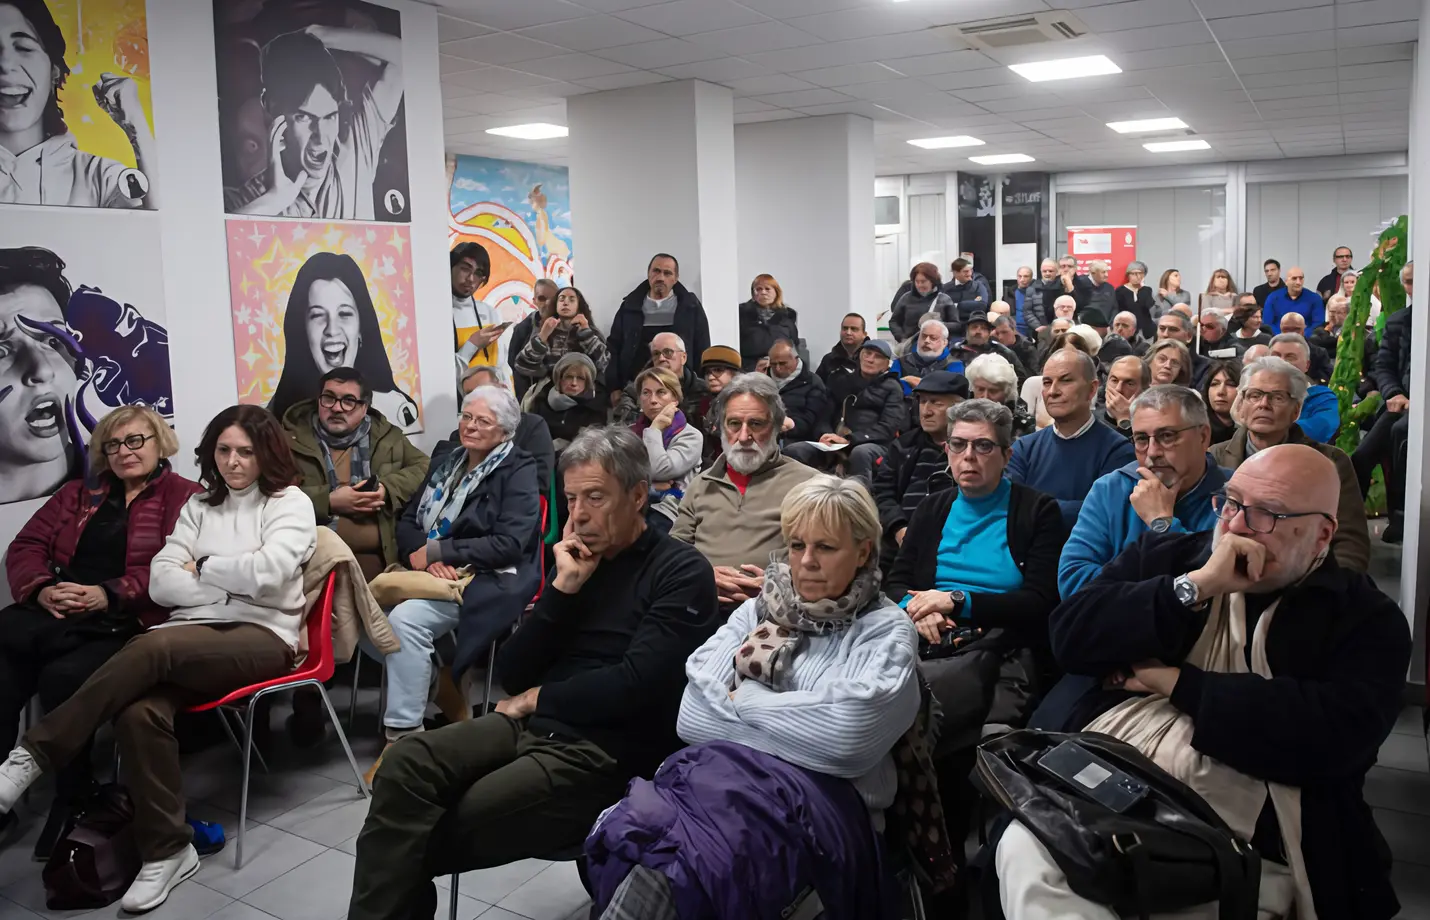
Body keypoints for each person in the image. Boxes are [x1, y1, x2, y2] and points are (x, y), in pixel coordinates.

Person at [1018, 444, 1408, 920]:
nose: (1237, 525)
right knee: (1029, 851)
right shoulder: (1172, 557)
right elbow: (1070, 636)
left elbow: (1331, 736)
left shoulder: (1364, 618)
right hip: (1112, 789)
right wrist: (1194, 587)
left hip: (1258, 834)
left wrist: (1174, 682)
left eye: (1267, 514)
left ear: (1322, 534)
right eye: (1231, 502)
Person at [347, 427, 721, 920]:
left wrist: (538, 699)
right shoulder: (578, 563)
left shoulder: (680, 571)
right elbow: (514, 671)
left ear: (637, 496)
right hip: (533, 726)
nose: (579, 514)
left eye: (595, 497)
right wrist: (563, 590)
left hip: (606, 751)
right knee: (406, 764)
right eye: (570, 499)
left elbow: (636, 685)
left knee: (419, 827)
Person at [0, 405, 314, 912]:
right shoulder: (202, 505)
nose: (234, 463)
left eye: (246, 452)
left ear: (267, 453)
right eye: (224, 451)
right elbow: (165, 582)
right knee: (139, 711)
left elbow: (272, 573)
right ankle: (169, 849)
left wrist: (205, 566)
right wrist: (227, 579)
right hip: (192, 633)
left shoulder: (288, 502)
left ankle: (33, 754)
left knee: (152, 644)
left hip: (263, 634)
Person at [587, 475, 920, 920]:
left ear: (862, 551)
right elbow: (692, 719)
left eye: (825, 547)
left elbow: (847, 744)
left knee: (686, 866)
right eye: (797, 545)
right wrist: (807, 719)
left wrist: (745, 702)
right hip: (718, 782)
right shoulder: (761, 608)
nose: (806, 563)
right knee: (642, 838)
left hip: (820, 806)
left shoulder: (885, 631)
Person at [0, 406, 198, 854]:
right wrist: (43, 589)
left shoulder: (186, 497)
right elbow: (26, 546)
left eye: (135, 441)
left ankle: (75, 794)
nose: (124, 452)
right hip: (62, 611)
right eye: (113, 444)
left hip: (130, 620)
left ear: (158, 443)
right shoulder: (75, 495)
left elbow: (185, 570)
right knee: (3, 672)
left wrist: (111, 593)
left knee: (63, 677)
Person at [887, 398, 1066, 860]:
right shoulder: (932, 508)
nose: (968, 457)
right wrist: (919, 608)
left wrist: (958, 601)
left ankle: (938, 845)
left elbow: (1040, 602)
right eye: (959, 445)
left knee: (926, 714)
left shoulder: (1036, 511)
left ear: (1007, 455)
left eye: (983, 446)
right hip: (925, 635)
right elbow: (898, 582)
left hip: (999, 645)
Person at [364, 385, 541, 775]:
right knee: (360, 614)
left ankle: (402, 740)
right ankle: (443, 687)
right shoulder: (446, 460)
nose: (470, 426)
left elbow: (510, 544)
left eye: (483, 421)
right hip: (432, 572)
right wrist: (425, 558)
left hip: (490, 577)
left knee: (404, 622)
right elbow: (408, 519)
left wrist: (442, 552)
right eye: (466, 416)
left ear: (504, 431)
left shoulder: (520, 469)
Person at [1057, 385, 1227, 599]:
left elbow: (1225, 590)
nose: (1153, 452)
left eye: (1167, 436)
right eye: (1141, 439)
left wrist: (1163, 525)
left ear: (1203, 437)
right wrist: (1172, 591)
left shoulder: (1236, 496)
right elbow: (1072, 582)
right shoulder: (1110, 489)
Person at [672, 373, 818, 609]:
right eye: (734, 424)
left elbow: (829, 559)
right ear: (721, 428)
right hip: (701, 608)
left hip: (777, 613)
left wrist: (780, 584)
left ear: (776, 427)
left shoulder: (810, 485)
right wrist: (703, 574)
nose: (743, 436)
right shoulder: (701, 485)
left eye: (756, 424)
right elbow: (673, 554)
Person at [1211, 356, 1369, 572]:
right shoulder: (1214, 457)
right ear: (1241, 404)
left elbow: (1350, 542)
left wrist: (1329, 592)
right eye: (1255, 395)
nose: (1263, 405)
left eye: (1277, 397)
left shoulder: (1330, 462)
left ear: (1296, 411)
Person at [229, 24, 402, 219]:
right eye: (304, 117)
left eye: (330, 117)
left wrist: (321, 35)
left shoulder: (356, 157)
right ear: (272, 111)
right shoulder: (247, 200)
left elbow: (402, 57)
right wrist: (274, 200)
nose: (320, 138)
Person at [0, 0, 157, 206]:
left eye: (24, 47)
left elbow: (161, 228)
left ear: (54, 70)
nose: (4, 64)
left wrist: (137, 124)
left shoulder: (101, 178)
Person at [283, 367, 429, 581]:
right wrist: (329, 501)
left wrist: (387, 489)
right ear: (318, 400)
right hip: (316, 565)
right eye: (329, 398)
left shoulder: (387, 438)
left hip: (383, 564)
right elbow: (271, 496)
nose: (337, 408)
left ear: (364, 408)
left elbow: (424, 466)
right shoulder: (290, 441)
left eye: (349, 401)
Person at [266, 251, 419, 429]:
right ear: (303, 331)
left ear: (361, 328)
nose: (332, 330)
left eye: (344, 314)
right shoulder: (276, 416)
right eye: (318, 315)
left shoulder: (397, 412)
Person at [1008, 350, 1135, 527]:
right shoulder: (1023, 448)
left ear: (1091, 389)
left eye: (1065, 380)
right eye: (1047, 382)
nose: (1053, 391)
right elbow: (1009, 507)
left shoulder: (1118, 451)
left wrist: (1033, 509)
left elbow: (1104, 515)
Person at [872, 371, 968, 569]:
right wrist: (898, 528)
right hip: (899, 539)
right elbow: (882, 492)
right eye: (922, 402)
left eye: (936, 403)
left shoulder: (970, 450)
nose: (926, 411)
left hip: (952, 542)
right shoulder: (904, 445)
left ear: (959, 408)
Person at [786, 339, 902, 480]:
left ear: (887, 364)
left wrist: (849, 440)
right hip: (835, 440)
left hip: (872, 444)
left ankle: (860, 497)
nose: (870, 359)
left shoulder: (893, 388)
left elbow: (887, 428)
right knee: (795, 450)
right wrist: (825, 434)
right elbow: (824, 415)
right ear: (860, 356)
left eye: (877, 356)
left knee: (860, 453)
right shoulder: (842, 381)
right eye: (867, 354)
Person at [608, 254, 710, 396]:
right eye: (656, 271)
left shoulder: (690, 307)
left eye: (667, 273)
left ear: (675, 278)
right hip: (636, 388)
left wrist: (698, 384)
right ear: (648, 274)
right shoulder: (630, 307)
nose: (661, 277)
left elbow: (702, 347)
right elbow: (614, 347)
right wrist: (614, 387)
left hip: (681, 388)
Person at [448, 366, 554, 489]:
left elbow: (540, 480)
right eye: (470, 394)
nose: (477, 398)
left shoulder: (532, 426)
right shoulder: (459, 435)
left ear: (503, 389)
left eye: (484, 391)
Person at [632, 368, 703, 532]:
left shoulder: (691, 436)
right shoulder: (630, 433)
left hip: (670, 515)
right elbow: (619, 476)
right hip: (631, 508)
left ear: (675, 399)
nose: (653, 400)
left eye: (661, 392)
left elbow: (660, 469)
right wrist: (652, 488)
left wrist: (655, 429)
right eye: (646, 393)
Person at [512, 285, 609, 401]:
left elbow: (604, 363)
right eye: (561, 299)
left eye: (571, 299)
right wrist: (542, 336)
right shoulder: (545, 331)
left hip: (584, 397)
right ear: (556, 305)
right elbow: (522, 366)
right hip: (549, 396)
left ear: (579, 306)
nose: (566, 303)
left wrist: (586, 333)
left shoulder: (591, 331)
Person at [612, 331, 710, 427]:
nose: (661, 358)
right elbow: (622, 429)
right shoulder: (635, 390)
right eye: (656, 354)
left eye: (668, 352)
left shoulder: (703, 390)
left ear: (683, 357)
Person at [450, 243, 509, 389]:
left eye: (478, 274)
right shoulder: (436, 314)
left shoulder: (490, 313)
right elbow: (440, 375)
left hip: (492, 403)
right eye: (465, 269)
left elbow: (502, 368)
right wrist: (472, 345)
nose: (470, 279)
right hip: (455, 405)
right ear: (450, 267)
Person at [1268, 333, 1339, 443]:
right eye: (1276, 356)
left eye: (1290, 357)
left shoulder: (1323, 398)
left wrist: (1267, 430)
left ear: (1307, 365)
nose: (1281, 362)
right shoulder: (1255, 392)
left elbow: (1321, 428)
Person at [531, 353, 607, 456]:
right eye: (569, 377)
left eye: (580, 378)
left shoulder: (595, 408)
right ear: (559, 379)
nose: (574, 383)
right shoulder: (542, 400)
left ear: (587, 382)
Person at [506, 278, 559, 399]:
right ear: (534, 301)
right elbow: (514, 364)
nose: (547, 303)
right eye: (542, 298)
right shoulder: (522, 329)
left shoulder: (568, 325)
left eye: (553, 299)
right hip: (531, 395)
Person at [768, 338, 828, 444]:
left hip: (798, 438)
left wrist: (790, 425)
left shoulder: (813, 383)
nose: (777, 368)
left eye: (782, 363)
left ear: (795, 359)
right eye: (773, 364)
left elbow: (813, 420)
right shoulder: (763, 380)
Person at [738, 274, 800, 372]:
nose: (763, 292)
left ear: (776, 292)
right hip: (750, 368)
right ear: (753, 294)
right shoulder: (741, 313)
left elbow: (794, 345)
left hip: (781, 367)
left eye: (767, 289)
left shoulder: (788, 315)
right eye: (758, 289)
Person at [693, 345, 742, 467]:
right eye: (707, 372)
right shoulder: (702, 403)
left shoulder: (745, 402)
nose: (710, 377)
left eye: (718, 370)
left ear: (733, 373)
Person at [967, 353, 1035, 439]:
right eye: (980, 389)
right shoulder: (960, 417)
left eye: (993, 391)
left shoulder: (1024, 425)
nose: (985, 396)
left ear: (1007, 392)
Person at [953, 311, 1028, 381]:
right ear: (967, 331)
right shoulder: (955, 352)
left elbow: (1020, 379)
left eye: (983, 328)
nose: (978, 332)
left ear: (989, 333)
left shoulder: (1003, 352)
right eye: (974, 327)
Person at [890, 262, 955, 341]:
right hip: (909, 346)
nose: (920, 285)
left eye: (923, 281)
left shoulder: (944, 299)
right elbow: (894, 321)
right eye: (917, 281)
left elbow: (957, 325)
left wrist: (939, 324)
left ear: (933, 281)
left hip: (935, 346)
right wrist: (901, 337)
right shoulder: (906, 298)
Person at [892, 317, 959, 393]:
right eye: (923, 336)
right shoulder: (900, 362)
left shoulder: (954, 364)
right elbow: (892, 387)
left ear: (944, 343)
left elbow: (951, 391)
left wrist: (912, 381)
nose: (926, 341)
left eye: (933, 338)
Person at [1098, 354, 1149, 440]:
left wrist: (1124, 420)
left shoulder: (1152, 425)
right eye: (1114, 380)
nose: (1118, 389)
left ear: (1143, 391)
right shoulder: (1087, 416)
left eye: (1129, 383)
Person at [1155, 311, 1210, 386]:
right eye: (1162, 328)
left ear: (1189, 336)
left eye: (1173, 329)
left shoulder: (1206, 368)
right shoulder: (1145, 364)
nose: (1165, 334)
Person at [1264, 266, 1325, 333]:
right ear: (1286, 281)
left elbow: (1318, 324)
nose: (1298, 282)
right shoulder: (1273, 298)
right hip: (1278, 339)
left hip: (1305, 340)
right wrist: (1282, 335)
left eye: (1301, 278)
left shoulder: (1315, 298)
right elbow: (1267, 324)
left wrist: (1301, 336)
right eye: (1294, 278)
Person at [1276, 311, 1333, 382]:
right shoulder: (1273, 350)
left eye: (1296, 329)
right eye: (1286, 329)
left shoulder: (1318, 353)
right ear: (1280, 328)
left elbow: (1326, 378)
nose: (1291, 333)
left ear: (1304, 329)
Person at [942, 257, 992, 332]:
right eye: (965, 271)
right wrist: (971, 305)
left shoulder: (978, 286)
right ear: (955, 273)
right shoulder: (945, 289)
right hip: (952, 327)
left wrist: (957, 305)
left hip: (974, 325)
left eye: (970, 270)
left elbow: (982, 305)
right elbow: (943, 309)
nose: (969, 273)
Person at [816, 313, 869, 384]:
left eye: (854, 329)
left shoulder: (872, 360)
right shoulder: (829, 360)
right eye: (845, 328)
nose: (848, 332)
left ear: (864, 334)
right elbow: (817, 387)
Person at [1200, 359, 1240, 445]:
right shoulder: (1196, 428)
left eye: (1230, 384)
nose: (1221, 392)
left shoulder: (1249, 431)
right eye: (1214, 384)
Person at [1115, 260, 1156, 339]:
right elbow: (1117, 310)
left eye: (1140, 273)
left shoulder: (1147, 290)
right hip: (1127, 331)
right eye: (1134, 273)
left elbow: (1148, 306)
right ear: (1128, 275)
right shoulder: (1120, 291)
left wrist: (1142, 289)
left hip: (1147, 331)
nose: (1137, 276)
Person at [1043, 255, 1092, 321]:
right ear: (1058, 269)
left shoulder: (1085, 284)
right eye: (1063, 267)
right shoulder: (1050, 286)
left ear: (1075, 268)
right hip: (1056, 321)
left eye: (1070, 266)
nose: (1066, 269)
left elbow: (1084, 308)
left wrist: (1071, 289)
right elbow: (1048, 311)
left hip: (1078, 322)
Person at [1025, 259, 1061, 333]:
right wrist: (1037, 326)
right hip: (1038, 330)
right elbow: (1027, 311)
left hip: (1059, 329)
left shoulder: (1062, 287)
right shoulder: (1032, 288)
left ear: (1057, 272)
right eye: (1044, 271)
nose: (1047, 273)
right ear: (1041, 271)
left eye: (1050, 271)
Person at [1012, 265, 1036, 335]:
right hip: (1014, 329)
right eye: (1020, 276)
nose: (1022, 279)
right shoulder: (1009, 293)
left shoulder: (1037, 293)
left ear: (1031, 278)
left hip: (1032, 330)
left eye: (1026, 276)